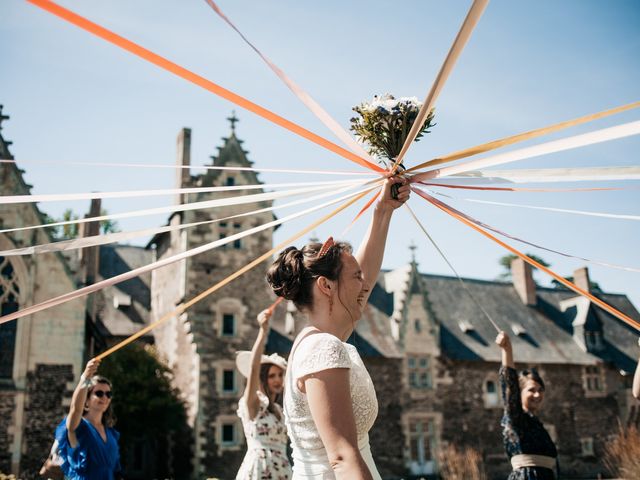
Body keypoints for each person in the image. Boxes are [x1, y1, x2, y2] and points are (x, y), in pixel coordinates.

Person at [266, 177, 409, 480]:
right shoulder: (322, 348)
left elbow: (362, 275)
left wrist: (383, 212)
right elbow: (342, 458)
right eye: (356, 277)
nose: (367, 285)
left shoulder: (317, 340)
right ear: (326, 287)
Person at [235, 308, 292, 480]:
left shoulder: (281, 411)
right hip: (259, 470)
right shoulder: (253, 404)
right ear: (263, 379)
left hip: (282, 470)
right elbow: (254, 368)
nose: (277, 380)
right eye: (271, 376)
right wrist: (263, 331)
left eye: (280, 375)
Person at [495, 331, 558, 479]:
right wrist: (507, 349)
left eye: (540, 390)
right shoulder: (515, 418)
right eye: (531, 390)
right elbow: (510, 384)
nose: (537, 395)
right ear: (520, 393)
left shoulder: (536, 424)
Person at [55, 358, 122, 480]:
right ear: (86, 399)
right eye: (99, 393)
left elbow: (115, 472)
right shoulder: (79, 427)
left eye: (108, 394)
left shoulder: (111, 433)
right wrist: (85, 378)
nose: (105, 397)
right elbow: (75, 409)